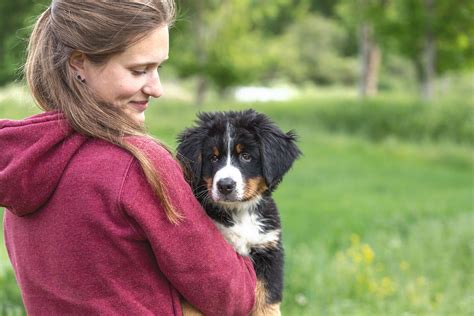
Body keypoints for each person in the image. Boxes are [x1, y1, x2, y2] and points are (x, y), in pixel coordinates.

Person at [0, 1, 256, 315]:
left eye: (158, 68)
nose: (157, 88)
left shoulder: (25, 165)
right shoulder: (136, 167)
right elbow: (230, 297)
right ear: (79, 63)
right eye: (139, 70)